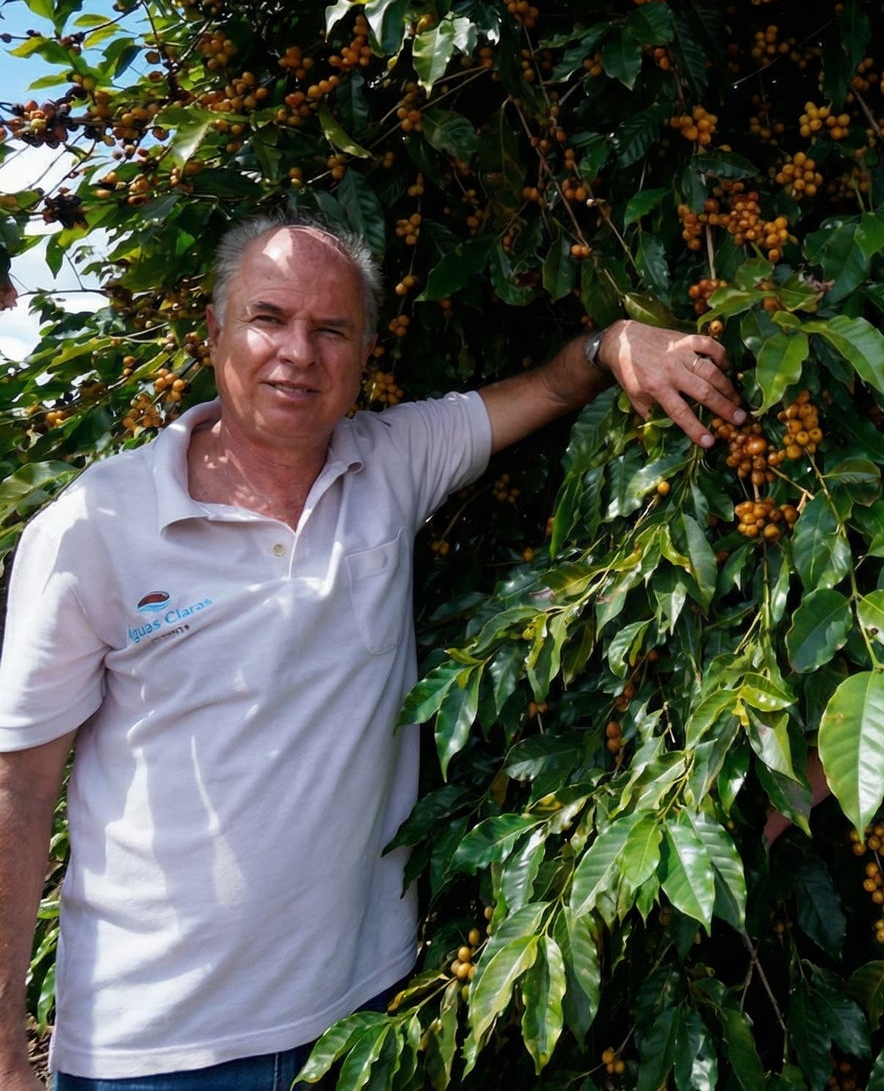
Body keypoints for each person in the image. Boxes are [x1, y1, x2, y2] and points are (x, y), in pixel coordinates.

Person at [0, 212, 745, 1090]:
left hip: (361, 1020)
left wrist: (617, 343)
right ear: (214, 333)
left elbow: (547, 387)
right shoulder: (95, 528)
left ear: (363, 354)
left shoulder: (389, 463)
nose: (297, 353)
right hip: (157, 1046)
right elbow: (19, 787)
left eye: (331, 329)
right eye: (268, 318)